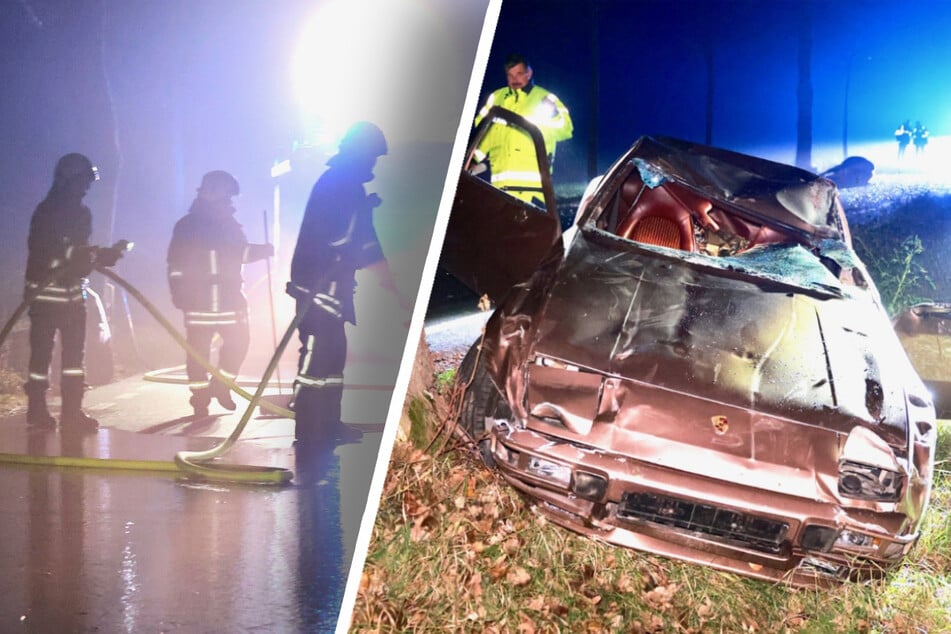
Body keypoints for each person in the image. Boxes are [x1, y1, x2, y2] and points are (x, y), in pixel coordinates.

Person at [286, 121, 389, 446]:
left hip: (331, 291)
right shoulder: (341, 185)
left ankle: (328, 424)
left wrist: (363, 209)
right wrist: (392, 287)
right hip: (318, 289)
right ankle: (308, 428)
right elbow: (346, 240)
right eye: (372, 157)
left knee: (332, 359)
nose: (373, 164)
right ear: (361, 154)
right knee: (315, 361)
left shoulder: (344, 185)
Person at [23, 153, 123, 432]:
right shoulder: (47, 212)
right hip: (45, 297)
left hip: (73, 297)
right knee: (41, 357)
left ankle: (71, 412)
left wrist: (102, 256)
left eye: (88, 182)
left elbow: (80, 255)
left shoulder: (81, 213)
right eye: (82, 181)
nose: (86, 187)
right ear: (67, 179)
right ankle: (37, 409)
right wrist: (84, 255)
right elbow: (46, 251)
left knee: (73, 361)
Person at [167, 170, 273, 417]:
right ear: (213, 192)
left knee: (239, 344)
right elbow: (175, 265)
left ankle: (221, 386)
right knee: (197, 355)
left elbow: (241, 254)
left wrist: (262, 251)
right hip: (199, 303)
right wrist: (180, 295)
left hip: (229, 301)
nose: (230, 202)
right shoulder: (188, 226)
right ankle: (200, 398)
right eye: (226, 196)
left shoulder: (228, 225)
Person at [472, 53, 573, 204]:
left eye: (519, 74)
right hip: (500, 189)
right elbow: (483, 132)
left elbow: (565, 130)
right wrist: (473, 159)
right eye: (510, 75)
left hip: (534, 191)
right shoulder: (496, 98)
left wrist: (552, 115)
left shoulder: (545, 98)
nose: (514, 79)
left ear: (529, 73)